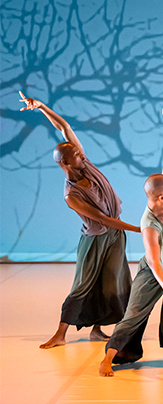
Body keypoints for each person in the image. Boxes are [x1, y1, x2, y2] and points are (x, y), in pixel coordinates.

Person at [20, 91, 137, 350]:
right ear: (65, 162)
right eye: (75, 154)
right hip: (96, 239)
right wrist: (141, 229)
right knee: (83, 284)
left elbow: (64, 127)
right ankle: (60, 333)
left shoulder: (85, 165)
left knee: (113, 279)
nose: (81, 154)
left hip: (115, 236)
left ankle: (97, 329)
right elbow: (103, 219)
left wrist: (41, 107)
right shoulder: (71, 195)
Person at [99, 99, 163, 376]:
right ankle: (109, 358)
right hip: (155, 272)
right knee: (134, 314)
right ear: (161, 197)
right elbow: (154, 262)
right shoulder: (149, 224)